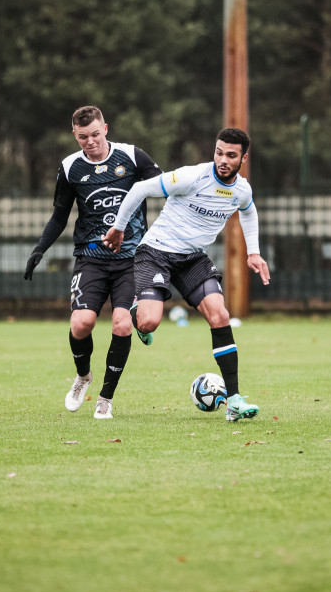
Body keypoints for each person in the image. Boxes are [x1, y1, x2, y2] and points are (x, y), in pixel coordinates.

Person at [103, 127, 271, 422]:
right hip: (155, 253)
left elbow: (248, 210)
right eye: (219, 152)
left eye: (231, 155)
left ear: (243, 158)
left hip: (193, 259)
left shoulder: (241, 189)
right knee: (149, 321)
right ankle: (138, 313)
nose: (223, 159)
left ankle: (233, 401)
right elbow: (141, 189)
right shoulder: (192, 177)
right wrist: (118, 227)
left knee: (219, 314)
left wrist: (253, 252)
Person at [24, 106, 161, 419]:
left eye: (96, 134)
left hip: (131, 258)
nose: (90, 141)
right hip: (91, 258)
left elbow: (164, 187)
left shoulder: (132, 157)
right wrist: (39, 249)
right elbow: (60, 214)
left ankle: (106, 399)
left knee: (122, 323)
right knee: (81, 323)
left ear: (106, 129)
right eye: (83, 136)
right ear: (75, 135)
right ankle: (83, 376)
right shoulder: (70, 167)